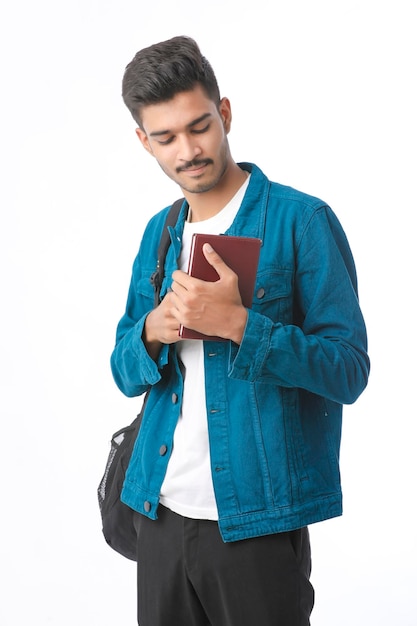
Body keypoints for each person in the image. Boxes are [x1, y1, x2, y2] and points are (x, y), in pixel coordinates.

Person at [110, 35, 370, 626]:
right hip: (158, 513)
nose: (188, 149)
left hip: (257, 522)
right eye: (167, 137)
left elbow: (349, 370)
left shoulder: (300, 220)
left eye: (199, 126)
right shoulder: (159, 234)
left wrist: (240, 326)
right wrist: (152, 329)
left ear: (224, 113)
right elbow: (123, 369)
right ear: (144, 142)